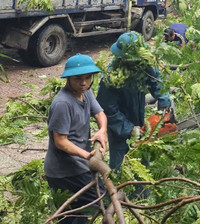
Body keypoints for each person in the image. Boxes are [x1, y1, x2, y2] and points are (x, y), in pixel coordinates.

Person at [44, 54, 107, 224]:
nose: (84, 82)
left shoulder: (86, 93)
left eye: (88, 77)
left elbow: (100, 113)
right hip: (65, 171)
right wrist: (88, 156)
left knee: (72, 215)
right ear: (68, 79)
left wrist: (102, 131)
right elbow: (61, 141)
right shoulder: (62, 104)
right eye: (77, 78)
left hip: (79, 165)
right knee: (97, 200)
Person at [97, 31, 171, 170]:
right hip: (119, 128)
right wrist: (128, 128)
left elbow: (158, 83)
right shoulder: (111, 78)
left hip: (139, 117)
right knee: (121, 166)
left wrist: (165, 105)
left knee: (142, 162)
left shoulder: (144, 66)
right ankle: (118, 189)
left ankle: (143, 190)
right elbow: (108, 110)